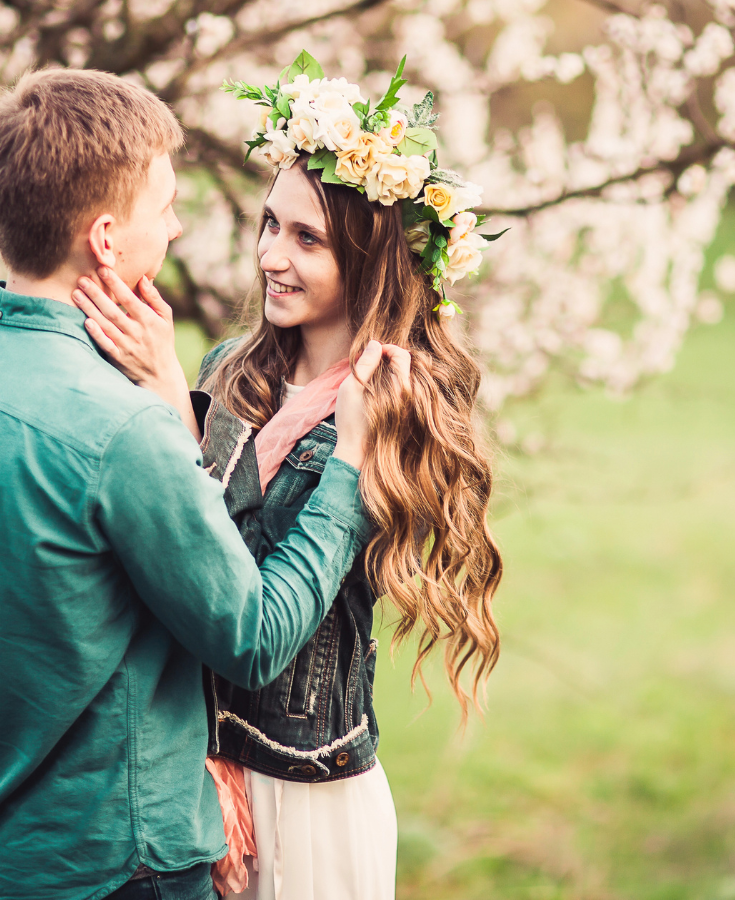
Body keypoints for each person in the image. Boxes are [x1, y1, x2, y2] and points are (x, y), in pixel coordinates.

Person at [0, 68, 407, 900]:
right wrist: (347, 467)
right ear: (104, 238)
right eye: (163, 208)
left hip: (4, 844)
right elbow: (255, 635)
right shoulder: (121, 429)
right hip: (124, 857)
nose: (175, 225)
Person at [72, 54, 505, 899]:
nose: (272, 254)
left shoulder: (387, 411)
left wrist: (169, 404)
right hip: (196, 766)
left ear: (370, 262)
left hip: (305, 789)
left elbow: (252, 591)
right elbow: (173, 569)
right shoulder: (232, 369)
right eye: (270, 224)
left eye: (307, 239)